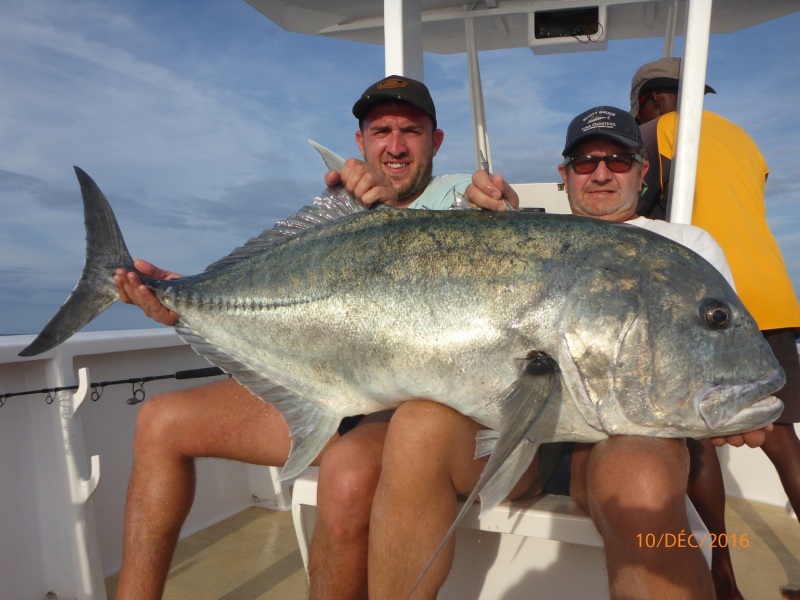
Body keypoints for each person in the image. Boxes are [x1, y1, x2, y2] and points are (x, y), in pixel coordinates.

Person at [111, 74, 515, 600]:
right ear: (360, 142)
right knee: (158, 421)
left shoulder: (464, 203)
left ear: (435, 141)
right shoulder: (342, 206)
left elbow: (493, 220)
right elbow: (275, 298)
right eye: (381, 131)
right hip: (331, 387)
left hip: (404, 411)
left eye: (411, 131)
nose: (394, 146)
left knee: (346, 482)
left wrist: (493, 204)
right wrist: (181, 300)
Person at [353, 105, 768, 599]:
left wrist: (732, 400)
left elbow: (708, 354)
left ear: (643, 170)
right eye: (584, 160)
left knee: (638, 478)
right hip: (520, 435)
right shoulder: (532, 238)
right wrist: (476, 220)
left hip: (621, 438)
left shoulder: (684, 245)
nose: (600, 172)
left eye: (618, 159)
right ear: (563, 175)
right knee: (416, 428)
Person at [631, 56, 800, 600]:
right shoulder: (745, 139)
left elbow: (641, 208)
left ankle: (722, 571)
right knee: (785, 442)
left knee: (696, 444)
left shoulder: (660, 131)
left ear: (649, 100)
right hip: (774, 292)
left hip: (710, 296)